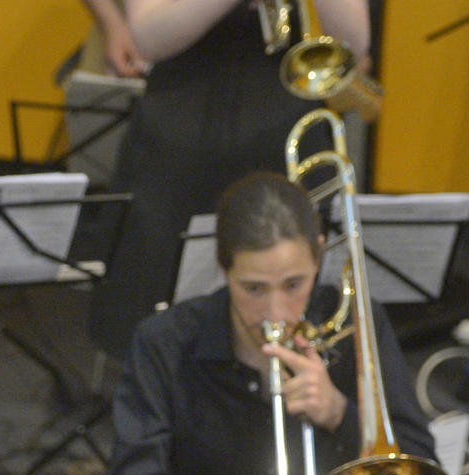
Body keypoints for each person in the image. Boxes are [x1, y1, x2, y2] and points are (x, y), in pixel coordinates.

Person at [104, 170, 434, 475]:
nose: (276, 314)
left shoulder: (355, 328)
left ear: (318, 255)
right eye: (254, 289)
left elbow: (419, 474)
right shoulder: (165, 343)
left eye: (295, 284)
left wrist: (338, 413)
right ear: (223, 267)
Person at [82, 0, 371, 361]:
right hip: (180, 130)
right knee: (155, 298)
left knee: (296, 297)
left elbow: (354, 43)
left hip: (283, 119)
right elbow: (150, 38)